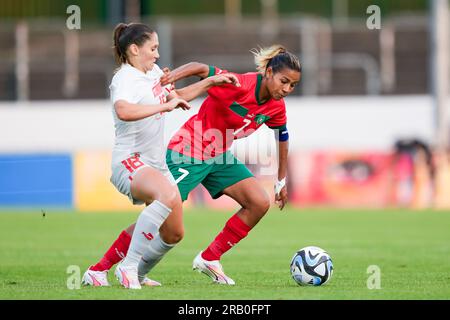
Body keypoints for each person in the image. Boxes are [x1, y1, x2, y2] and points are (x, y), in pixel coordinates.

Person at [81, 22, 239, 289]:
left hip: (155, 164)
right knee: (165, 196)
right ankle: (128, 268)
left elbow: (177, 96)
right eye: (152, 48)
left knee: (173, 232)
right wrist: (164, 105)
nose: (157, 54)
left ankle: (109, 272)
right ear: (134, 49)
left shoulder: (153, 72)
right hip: (128, 160)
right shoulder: (124, 78)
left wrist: (210, 82)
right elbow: (123, 111)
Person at [138, 44, 301, 285]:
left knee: (258, 202)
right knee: (161, 214)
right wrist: (171, 77)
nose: (287, 89)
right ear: (268, 73)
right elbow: (202, 69)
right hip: (188, 150)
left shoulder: (276, 106)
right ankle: (103, 268)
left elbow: (283, 136)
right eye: (284, 81)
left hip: (218, 156)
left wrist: (281, 180)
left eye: (293, 85)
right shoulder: (239, 84)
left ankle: (209, 258)